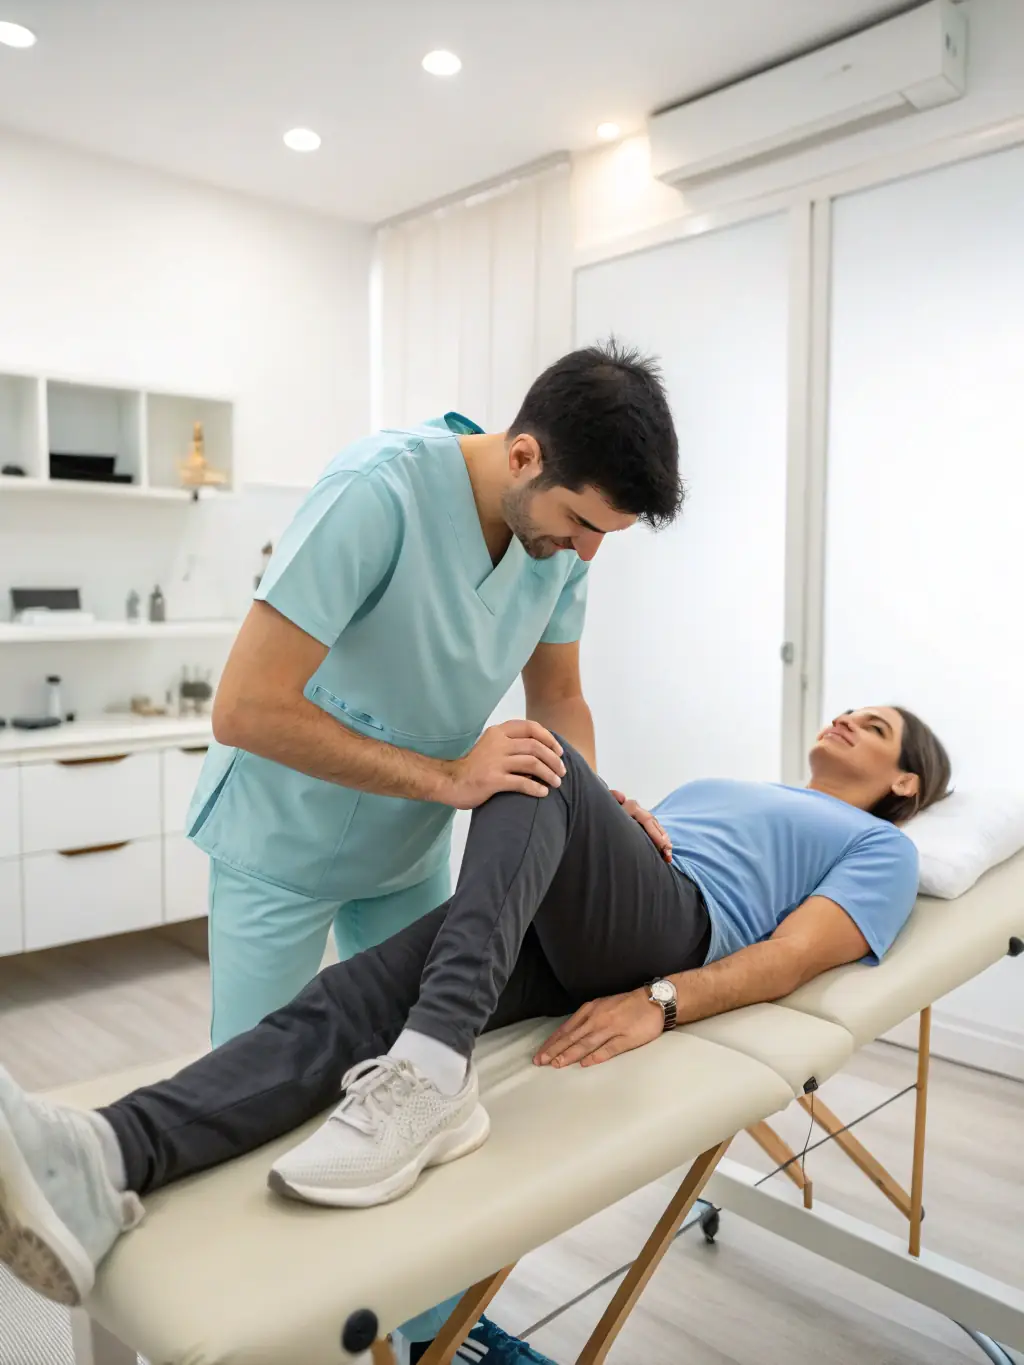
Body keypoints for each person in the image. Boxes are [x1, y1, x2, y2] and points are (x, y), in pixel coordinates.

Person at [0, 704, 951, 1364]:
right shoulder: (734, 783)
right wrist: (620, 814)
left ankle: (433, 1064)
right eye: (850, 710)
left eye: (874, 727)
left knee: (537, 756)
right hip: (588, 916)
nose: (846, 720)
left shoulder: (883, 848)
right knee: (343, 1003)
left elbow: (788, 958)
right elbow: (603, 842)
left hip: (677, 929)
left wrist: (660, 999)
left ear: (904, 779)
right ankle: (107, 1153)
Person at [188, 341, 683, 1050]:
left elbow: (561, 696)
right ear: (523, 457)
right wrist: (452, 777)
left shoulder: (559, 545)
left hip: (405, 852)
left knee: (409, 1066)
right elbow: (245, 708)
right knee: (248, 1076)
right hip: (281, 838)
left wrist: (593, 814)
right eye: (582, 521)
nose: (588, 550)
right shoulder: (377, 490)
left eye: (606, 533)